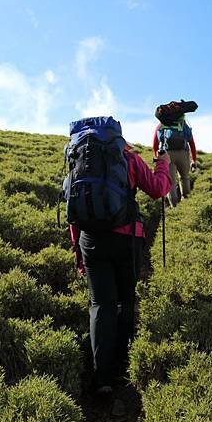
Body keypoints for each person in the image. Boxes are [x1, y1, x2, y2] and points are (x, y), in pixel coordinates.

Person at [68, 119, 171, 394]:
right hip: (127, 240)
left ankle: (103, 377)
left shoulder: (78, 159)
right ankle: (126, 364)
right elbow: (159, 189)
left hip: (90, 240)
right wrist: (163, 163)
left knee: (100, 305)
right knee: (126, 301)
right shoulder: (128, 158)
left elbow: (73, 211)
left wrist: (78, 251)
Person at [152, 114, 197, 207]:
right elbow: (192, 144)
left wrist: (156, 158)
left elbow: (155, 144)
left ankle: (174, 207)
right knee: (185, 178)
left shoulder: (161, 125)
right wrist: (194, 160)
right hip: (183, 153)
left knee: (170, 182)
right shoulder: (183, 125)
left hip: (167, 154)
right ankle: (186, 203)